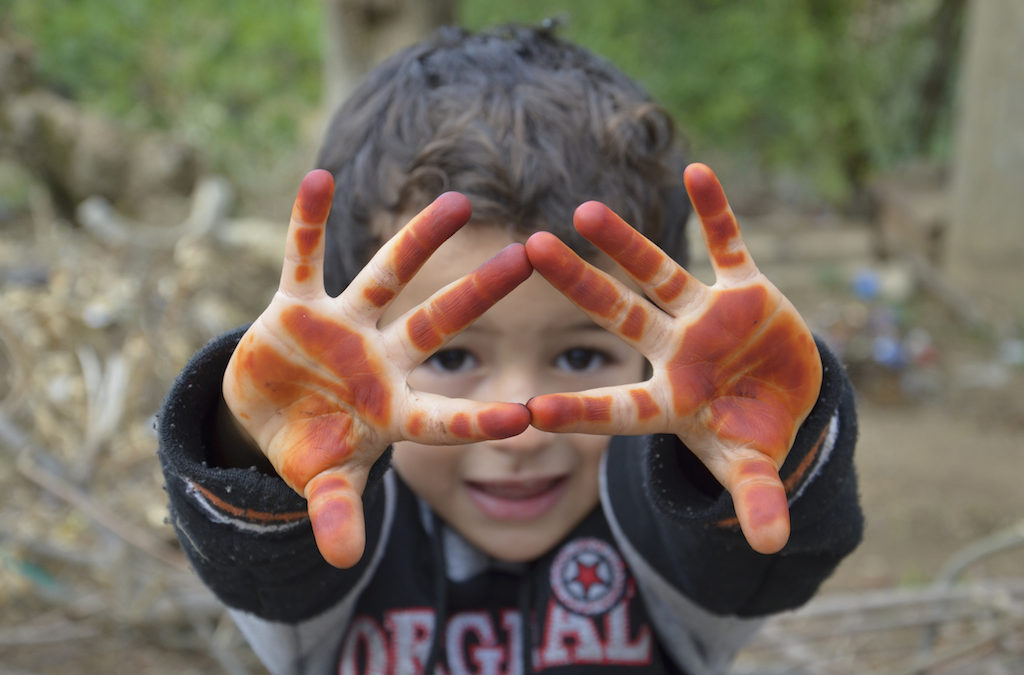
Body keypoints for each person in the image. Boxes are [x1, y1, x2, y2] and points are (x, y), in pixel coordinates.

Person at [158, 23, 861, 674]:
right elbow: (254, 560)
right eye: (453, 357)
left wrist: (775, 438)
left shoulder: (660, 515)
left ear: (659, 352)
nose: (518, 420)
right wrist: (253, 442)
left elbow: (767, 560)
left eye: (582, 356)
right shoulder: (346, 522)